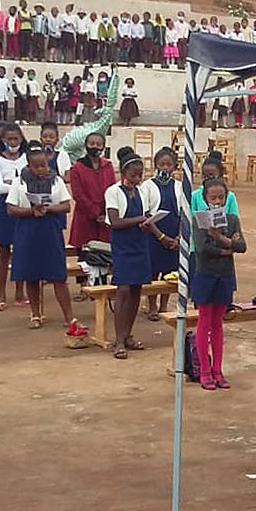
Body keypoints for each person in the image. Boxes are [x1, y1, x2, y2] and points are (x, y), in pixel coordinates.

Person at [6, 144, 74, 330]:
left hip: (50, 230)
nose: (41, 169)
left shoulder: (56, 181)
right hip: (27, 231)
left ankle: (69, 317)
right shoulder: (19, 182)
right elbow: (11, 209)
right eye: (36, 166)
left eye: (44, 165)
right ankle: (35, 314)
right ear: (28, 166)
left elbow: (66, 206)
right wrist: (31, 211)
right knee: (32, 274)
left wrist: (49, 208)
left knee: (58, 275)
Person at [192, 177, 246, 389]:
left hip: (224, 275)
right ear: (205, 198)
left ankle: (217, 370)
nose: (217, 202)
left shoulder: (232, 219)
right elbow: (202, 248)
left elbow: (242, 246)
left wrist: (220, 238)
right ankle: (205, 370)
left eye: (221, 198)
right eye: (213, 198)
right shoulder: (200, 219)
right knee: (204, 321)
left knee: (218, 323)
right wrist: (228, 248)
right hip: (205, 274)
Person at [105, 154, 153, 359]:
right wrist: (139, 219)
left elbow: (147, 216)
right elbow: (115, 221)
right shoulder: (113, 192)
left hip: (140, 244)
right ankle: (118, 340)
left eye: (140, 175)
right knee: (123, 290)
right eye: (133, 175)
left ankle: (128, 335)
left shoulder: (142, 192)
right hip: (123, 246)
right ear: (124, 173)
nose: (137, 179)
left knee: (136, 290)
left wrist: (150, 226)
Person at [140, 147, 185, 319]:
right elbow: (145, 214)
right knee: (153, 272)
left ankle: (164, 306)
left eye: (169, 164)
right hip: (153, 235)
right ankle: (152, 305)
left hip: (173, 235)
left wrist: (178, 237)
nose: (165, 168)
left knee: (169, 273)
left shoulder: (179, 186)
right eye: (161, 164)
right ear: (155, 165)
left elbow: (183, 214)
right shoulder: (147, 186)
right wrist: (161, 236)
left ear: (174, 166)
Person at [0, 123, 27, 310]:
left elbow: (31, 183)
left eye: (16, 139)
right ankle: (1, 293)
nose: (13, 142)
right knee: (3, 251)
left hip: (23, 206)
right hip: (3, 208)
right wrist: (19, 185)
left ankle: (20, 292)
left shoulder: (26, 158)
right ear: (2, 140)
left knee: (21, 250)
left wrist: (11, 183)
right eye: (9, 139)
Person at [67, 131, 115, 261]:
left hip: (105, 219)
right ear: (86, 145)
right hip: (85, 218)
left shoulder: (108, 166)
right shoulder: (77, 168)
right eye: (92, 143)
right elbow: (78, 194)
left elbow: (113, 190)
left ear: (103, 146)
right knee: (85, 258)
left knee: (105, 259)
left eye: (99, 144)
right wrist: (95, 213)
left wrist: (105, 213)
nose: (95, 146)